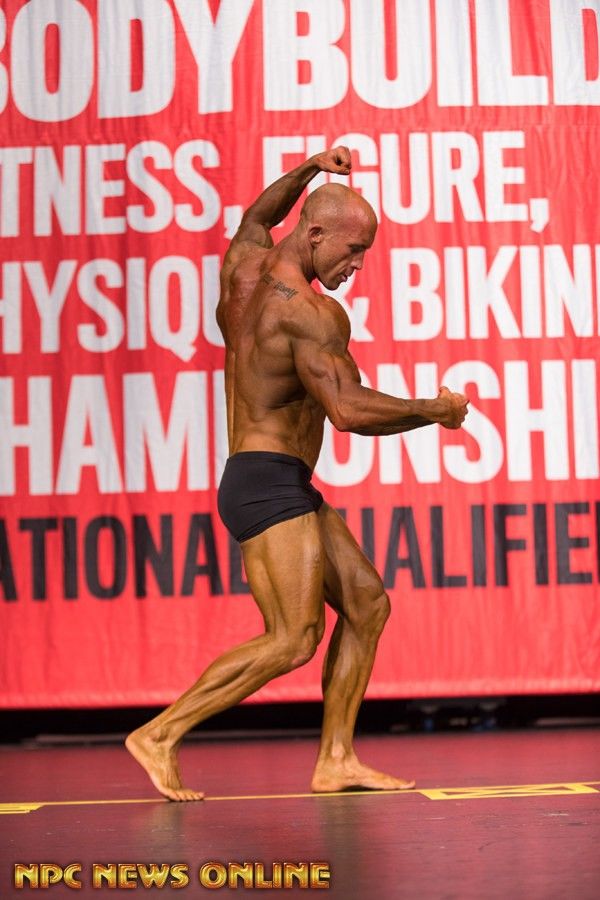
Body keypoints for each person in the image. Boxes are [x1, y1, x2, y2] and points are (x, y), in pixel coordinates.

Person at [126, 147, 469, 801]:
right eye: (354, 249)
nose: (358, 265)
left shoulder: (243, 267)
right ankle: (160, 734)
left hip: (271, 478)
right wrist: (435, 410)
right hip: (267, 484)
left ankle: (336, 758)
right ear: (315, 234)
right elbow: (348, 410)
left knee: (366, 604)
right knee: (293, 638)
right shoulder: (310, 315)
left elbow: (258, 215)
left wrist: (312, 166)